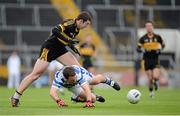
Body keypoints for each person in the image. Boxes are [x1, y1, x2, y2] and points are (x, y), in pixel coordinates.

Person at [11, 11, 92, 107]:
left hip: (60, 49)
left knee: (78, 69)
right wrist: (69, 40)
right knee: (35, 75)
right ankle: (15, 96)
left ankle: (76, 95)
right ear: (81, 21)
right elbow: (55, 30)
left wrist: (72, 47)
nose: (87, 26)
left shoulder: (77, 29)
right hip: (49, 49)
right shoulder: (70, 23)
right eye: (86, 24)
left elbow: (65, 39)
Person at [50, 65, 120, 108]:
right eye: (72, 79)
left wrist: (88, 102)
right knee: (93, 99)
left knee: (95, 81)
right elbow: (52, 92)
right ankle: (94, 97)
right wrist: (58, 101)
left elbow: (87, 89)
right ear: (66, 78)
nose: (74, 80)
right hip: (72, 87)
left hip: (84, 74)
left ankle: (109, 81)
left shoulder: (78, 75)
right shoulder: (59, 77)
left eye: (75, 78)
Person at [137, 21, 165, 98]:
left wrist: (160, 50)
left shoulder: (158, 37)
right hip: (147, 60)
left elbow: (163, 45)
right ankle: (151, 92)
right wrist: (143, 50)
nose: (149, 27)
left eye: (150, 26)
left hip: (155, 59)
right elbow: (138, 49)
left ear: (152, 27)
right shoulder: (143, 38)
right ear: (146, 28)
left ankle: (156, 82)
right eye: (147, 26)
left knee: (155, 77)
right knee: (150, 78)